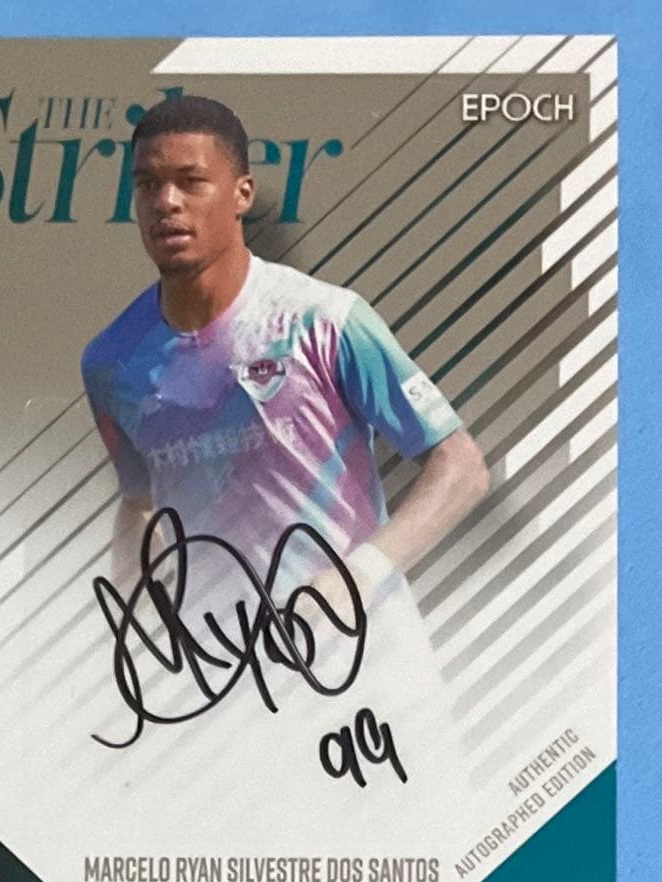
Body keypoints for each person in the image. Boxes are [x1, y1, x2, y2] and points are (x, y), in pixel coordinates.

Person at [82, 94, 488, 612]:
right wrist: (136, 624)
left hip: (367, 653)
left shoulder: (326, 319)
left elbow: (461, 467)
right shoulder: (111, 362)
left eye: (191, 181)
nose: (166, 202)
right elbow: (139, 502)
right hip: (224, 659)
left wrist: (354, 580)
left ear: (242, 194)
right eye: (147, 185)